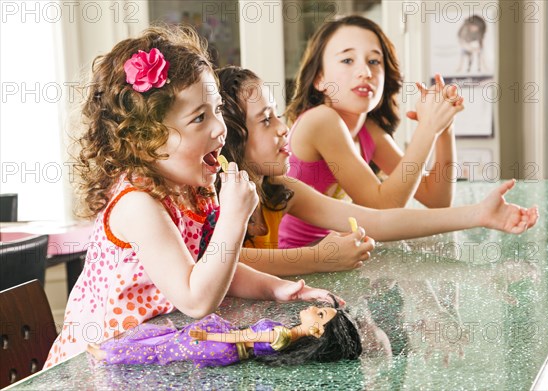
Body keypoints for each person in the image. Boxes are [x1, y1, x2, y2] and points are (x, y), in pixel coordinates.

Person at [44, 26, 336, 369]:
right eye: (199, 118)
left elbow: (211, 269)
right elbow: (196, 298)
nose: (219, 128)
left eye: (217, 109)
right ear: (146, 140)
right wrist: (233, 218)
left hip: (149, 352)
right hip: (94, 366)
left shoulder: (189, 189)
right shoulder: (138, 204)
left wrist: (276, 289)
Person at [215, 66, 539, 275]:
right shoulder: (210, 201)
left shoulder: (278, 189)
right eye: (266, 120)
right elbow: (227, 261)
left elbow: (380, 220)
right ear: (231, 138)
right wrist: (318, 258)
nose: (284, 128)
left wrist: (479, 214)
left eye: (374, 61)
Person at [279, 15, 465, 249]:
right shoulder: (321, 120)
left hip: (335, 259)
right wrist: (427, 128)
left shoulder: (367, 130)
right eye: (347, 60)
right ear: (319, 78)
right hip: (296, 266)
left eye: (375, 62)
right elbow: (384, 209)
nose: (365, 71)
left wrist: (444, 126)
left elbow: (436, 199)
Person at [86, 296, 361, 367]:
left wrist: (207, 336)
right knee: (168, 340)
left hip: (222, 344)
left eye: (321, 314)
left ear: (315, 331)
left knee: (164, 350)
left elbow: (241, 337)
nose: (315, 308)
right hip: (225, 341)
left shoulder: (281, 336)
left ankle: (111, 355)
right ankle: (114, 349)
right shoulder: (286, 334)